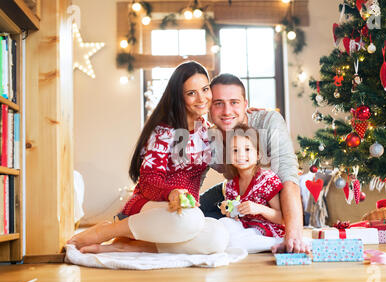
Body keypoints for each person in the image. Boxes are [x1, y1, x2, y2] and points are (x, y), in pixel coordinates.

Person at [67, 61, 228, 254]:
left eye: (205, 89)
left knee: (218, 238)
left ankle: (129, 245)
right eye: (191, 93)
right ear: (180, 97)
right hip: (153, 205)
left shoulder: (207, 130)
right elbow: (149, 181)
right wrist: (172, 193)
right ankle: (109, 229)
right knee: (191, 220)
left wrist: (243, 117)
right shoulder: (164, 130)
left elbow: (236, 157)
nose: (201, 98)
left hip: (183, 212)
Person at [201, 73, 310, 254]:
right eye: (218, 103)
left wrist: (293, 237)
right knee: (199, 219)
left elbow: (288, 176)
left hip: (271, 200)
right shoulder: (207, 138)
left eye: (234, 102)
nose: (227, 111)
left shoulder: (267, 122)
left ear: (246, 105)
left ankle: (281, 231)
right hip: (237, 194)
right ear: (209, 108)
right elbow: (191, 178)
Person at [219, 124, 285, 238]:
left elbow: (282, 218)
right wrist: (228, 211)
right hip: (245, 228)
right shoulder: (230, 185)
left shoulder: (267, 180)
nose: (241, 154)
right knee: (223, 225)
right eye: (235, 150)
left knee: (239, 238)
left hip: (268, 230)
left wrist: (260, 209)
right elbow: (233, 217)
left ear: (258, 154)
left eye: (247, 149)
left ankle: (274, 244)